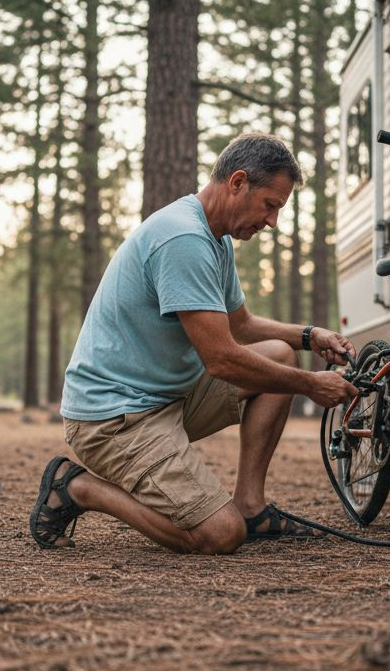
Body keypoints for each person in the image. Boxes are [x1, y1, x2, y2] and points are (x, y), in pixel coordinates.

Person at [30, 133, 360, 554]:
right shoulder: (183, 238)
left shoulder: (215, 237)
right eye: (270, 205)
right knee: (219, 535)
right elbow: (222, 359)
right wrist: (310, 384)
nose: (273, 221)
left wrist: (310, 337)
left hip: (166, 399)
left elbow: (240, 326)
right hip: (113, 420)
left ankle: (251, 507)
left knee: (279, 353)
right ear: (237, 182)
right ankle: (77, 487)